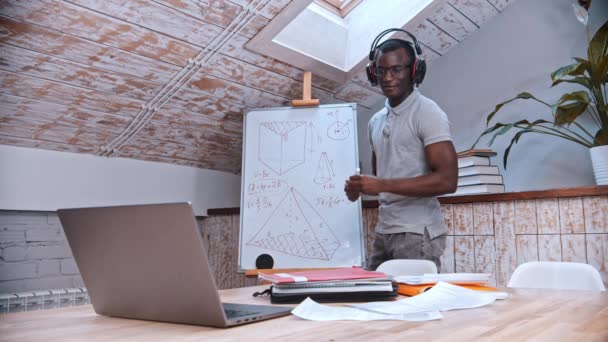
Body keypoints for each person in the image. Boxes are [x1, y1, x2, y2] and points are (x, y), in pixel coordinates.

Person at [344, 34, 458, 271]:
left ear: (415, 71)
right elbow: (382, 178)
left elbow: (448, 181)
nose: (387, 77)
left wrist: (382, 184)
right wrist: (360, 188)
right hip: (384, 231)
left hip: (417, 233)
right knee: (374, 301)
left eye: (396, 69)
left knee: (414, 306)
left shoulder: (428, 113)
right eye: (381, 70)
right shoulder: (375, 121)